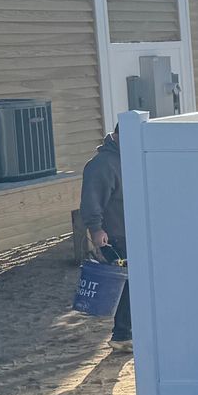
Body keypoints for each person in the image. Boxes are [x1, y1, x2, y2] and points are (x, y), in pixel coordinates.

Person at [79, 129, 132, 349]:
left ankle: (125, 333)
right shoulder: (102, 164)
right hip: (116, 235)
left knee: (131, 285)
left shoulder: (129, 159)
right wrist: (96, 230)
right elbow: (91, 200)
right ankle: (122, 335)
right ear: (117, 135)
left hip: (131, 231)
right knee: (126, 285)